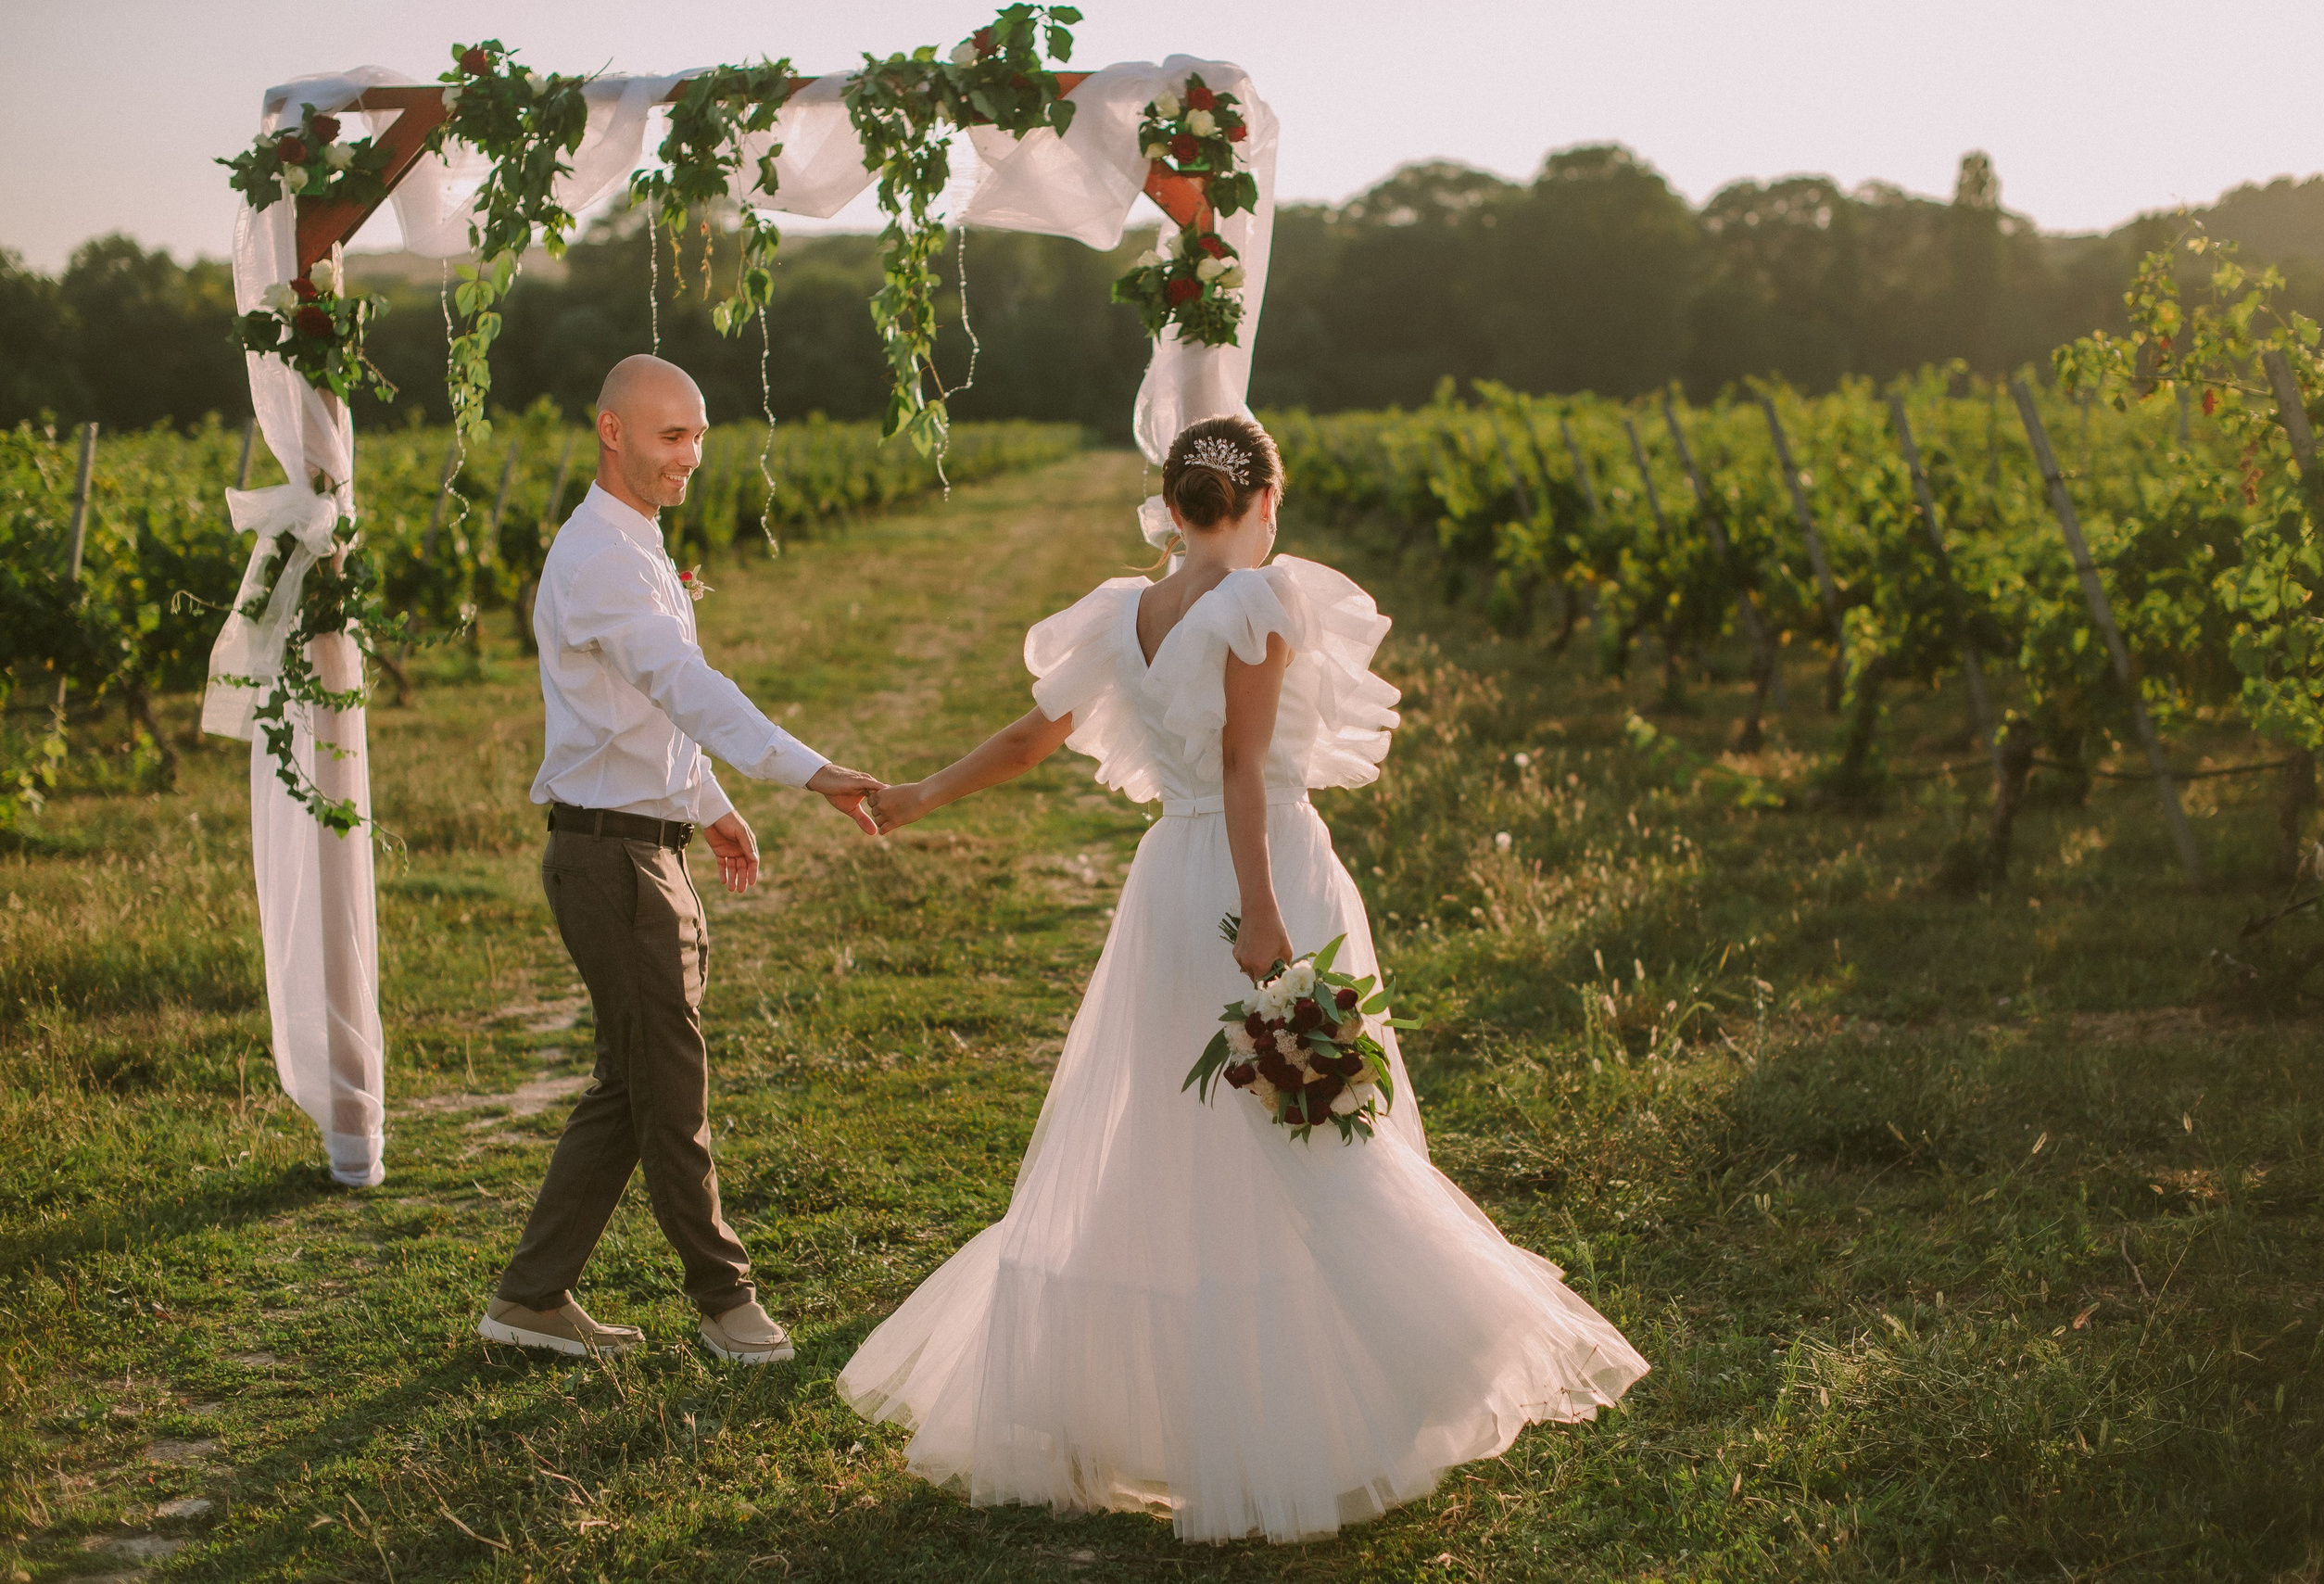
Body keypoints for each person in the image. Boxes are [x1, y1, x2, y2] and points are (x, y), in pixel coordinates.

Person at [836, 415, 1648, 1543]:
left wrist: (918, 793)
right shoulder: (1259, 602)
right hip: (1257, 874)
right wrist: (1262, 911)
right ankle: (1394, 1363)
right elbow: (1242, 763)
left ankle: (1165, 1403)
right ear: (1265, 499)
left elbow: (1029, 738)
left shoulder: (1125, 612)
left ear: (1172, 509)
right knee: (1312, 1117)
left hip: (1171, 878)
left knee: (1186, 1126)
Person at [476, 354, 882, 1366]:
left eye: (699, 435)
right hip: (610, 864)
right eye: (671, 435)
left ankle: (529, 1298)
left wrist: (707, 804)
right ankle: (724, 1298)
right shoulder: (601, 559)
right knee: (669, 1087)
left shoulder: (636, 544)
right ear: (611, 430)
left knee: (632, 1082)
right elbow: (686, 685)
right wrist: (810, 770)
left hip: (634, 846)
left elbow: (647, 709)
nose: (692, 456)